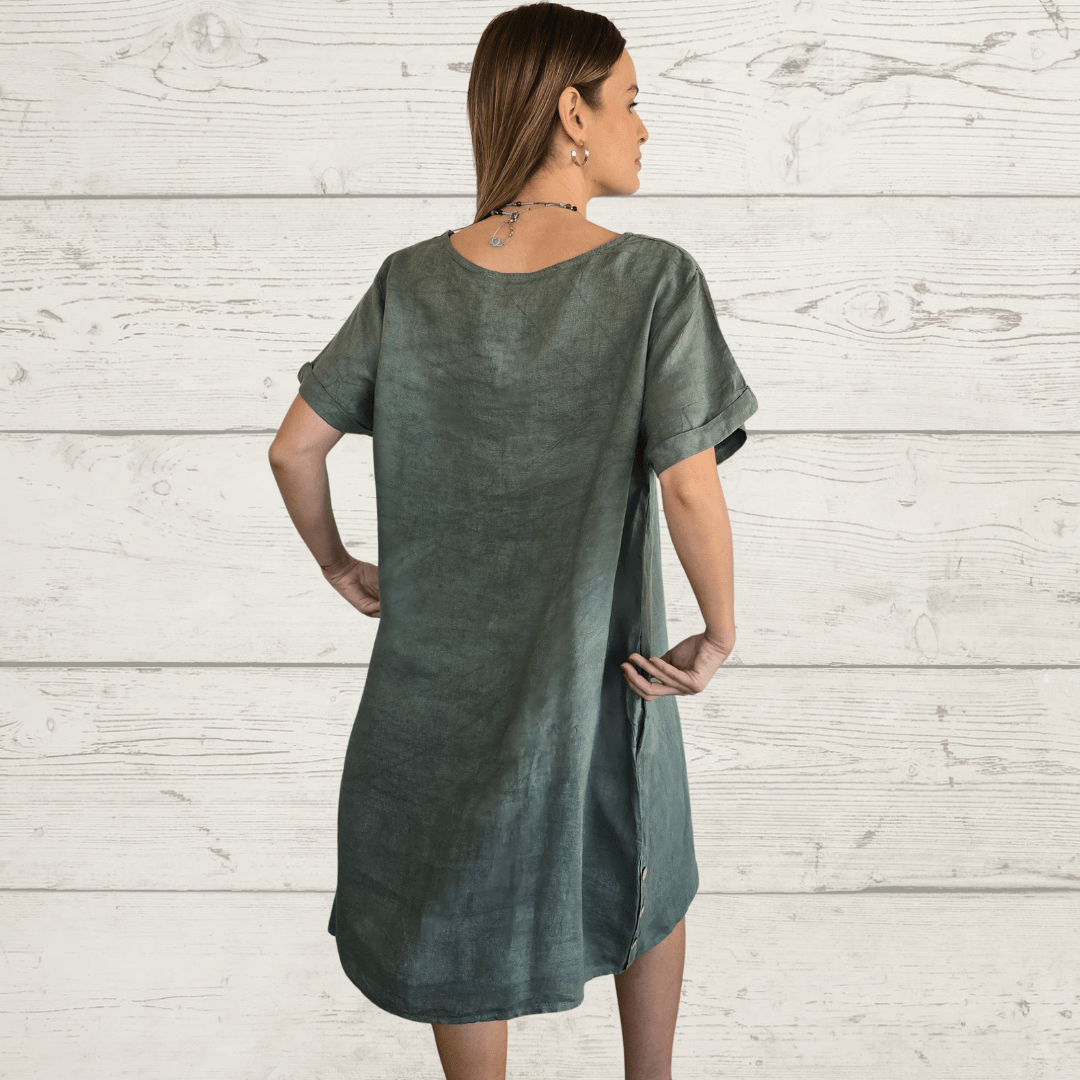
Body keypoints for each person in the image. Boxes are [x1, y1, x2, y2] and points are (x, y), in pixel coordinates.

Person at [268, 4, 759, 1078]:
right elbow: (688, 484)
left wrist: (338, 564)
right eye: (631, 102)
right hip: (603, 671)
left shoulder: (410, 280)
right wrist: (719, 630)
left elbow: (294, 449)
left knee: (455, 896)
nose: (644, 127)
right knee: (646, 858)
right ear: (573, 114)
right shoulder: (653, 280)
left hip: (431, 692)